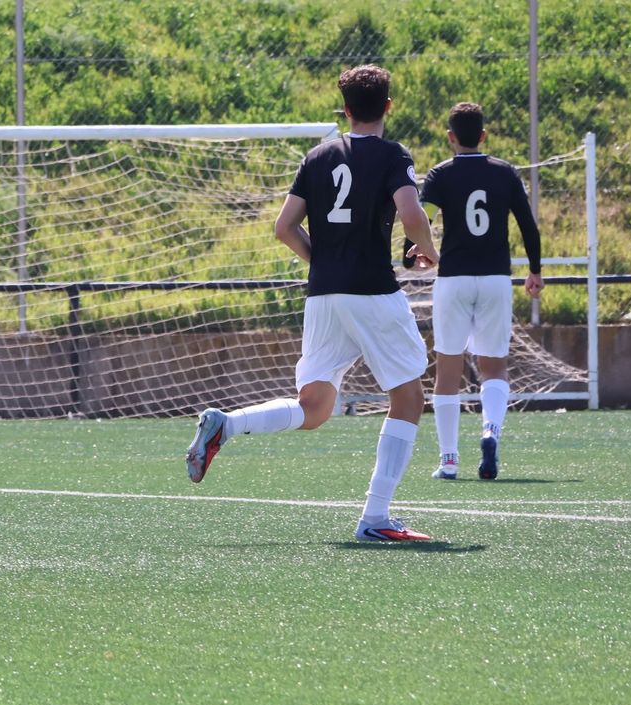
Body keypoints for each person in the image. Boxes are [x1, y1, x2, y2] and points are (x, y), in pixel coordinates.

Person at [184, 65, 438, 542]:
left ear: (344, 109)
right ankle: (376, 518)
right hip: (372, 290)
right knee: (407, 396)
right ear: (387, 106)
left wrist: (321, 260)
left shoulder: (318, 156)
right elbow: (411, 213)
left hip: (324, 294)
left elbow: (283, 228)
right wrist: (431, 251)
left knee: (315, 406)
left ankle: (226, 426)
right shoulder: (392, 155)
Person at [419, 102, 544, 480]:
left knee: (447, 368)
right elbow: (528, 226)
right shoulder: (505, 173)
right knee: (494, 367)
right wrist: (535, 271)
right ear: (484, 135)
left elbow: (420, 221)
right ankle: (490, 431)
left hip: (454, 279)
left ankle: (449, 460)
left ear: (450, 137)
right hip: (494, 279)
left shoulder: (439, 174)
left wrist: (417, 255)